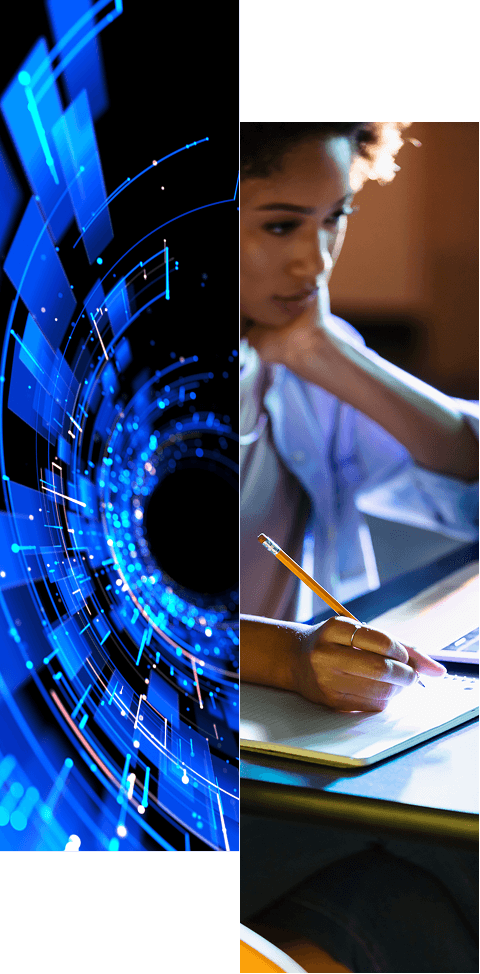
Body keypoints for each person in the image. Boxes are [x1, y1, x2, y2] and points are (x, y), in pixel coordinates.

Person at [239, 123, 479, 972]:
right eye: (279, 225)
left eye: (333, 219)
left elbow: (470, 467)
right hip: (166, 762)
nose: (316, 262)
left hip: (285, 743)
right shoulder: (97, 388)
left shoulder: (292, 355)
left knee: (414, 892)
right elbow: (90, 617)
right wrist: (286, 657)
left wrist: (325, 352)